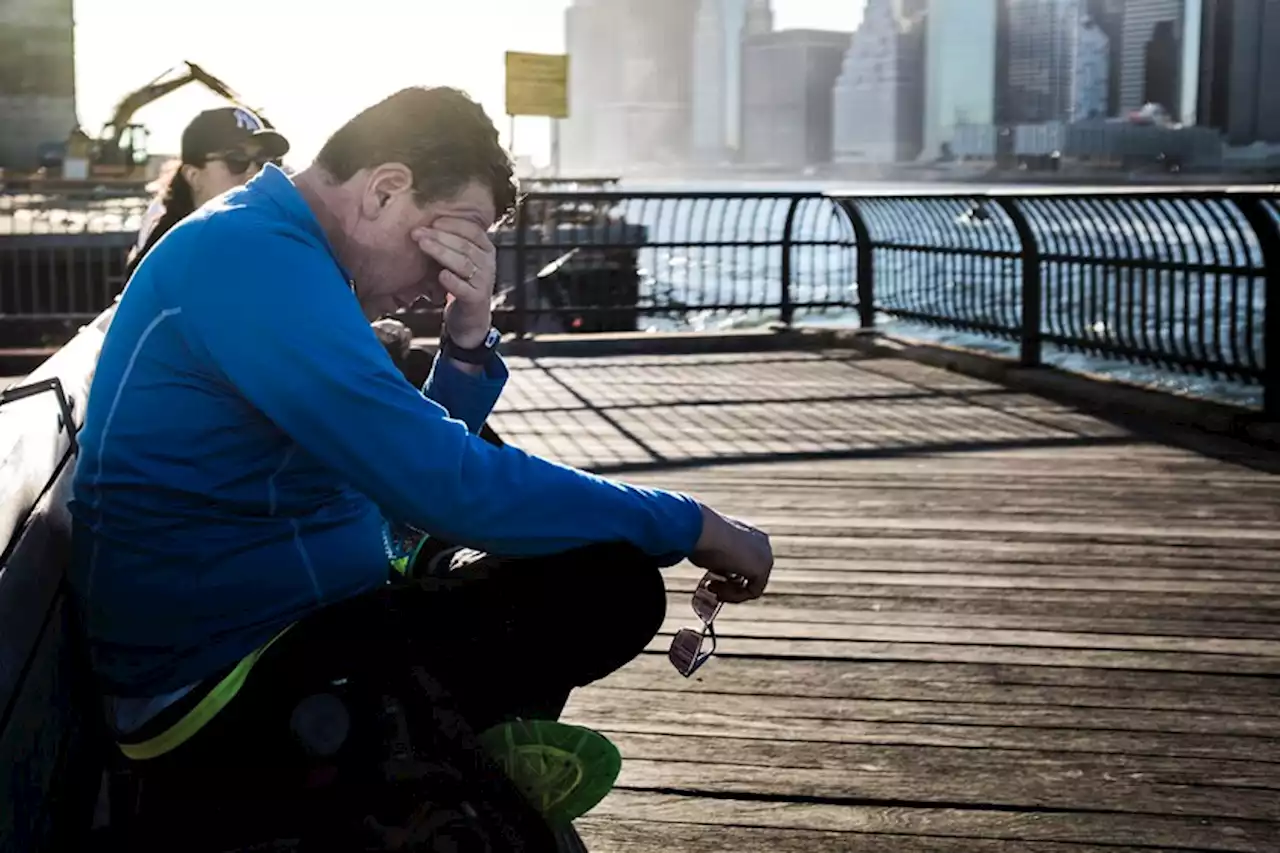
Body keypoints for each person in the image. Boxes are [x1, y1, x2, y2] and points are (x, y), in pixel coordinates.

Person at [69, 86, 772, 849]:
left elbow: (402, 477)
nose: (453, 270)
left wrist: (467, 339)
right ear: (384, 188)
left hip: (271, 636)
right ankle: (425, 770)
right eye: (457, 235)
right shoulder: (254, 263)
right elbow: (442, 485)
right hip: (219, 696)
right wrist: (696, 523)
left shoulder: (278, 248)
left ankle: (430, 755)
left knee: (589, 562)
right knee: (605, 581)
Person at [126, 105, 290, 278]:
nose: (255, 172)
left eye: (265, 161)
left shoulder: (280, 242)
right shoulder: (168, 260)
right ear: (193, 176)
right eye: (236, 159)